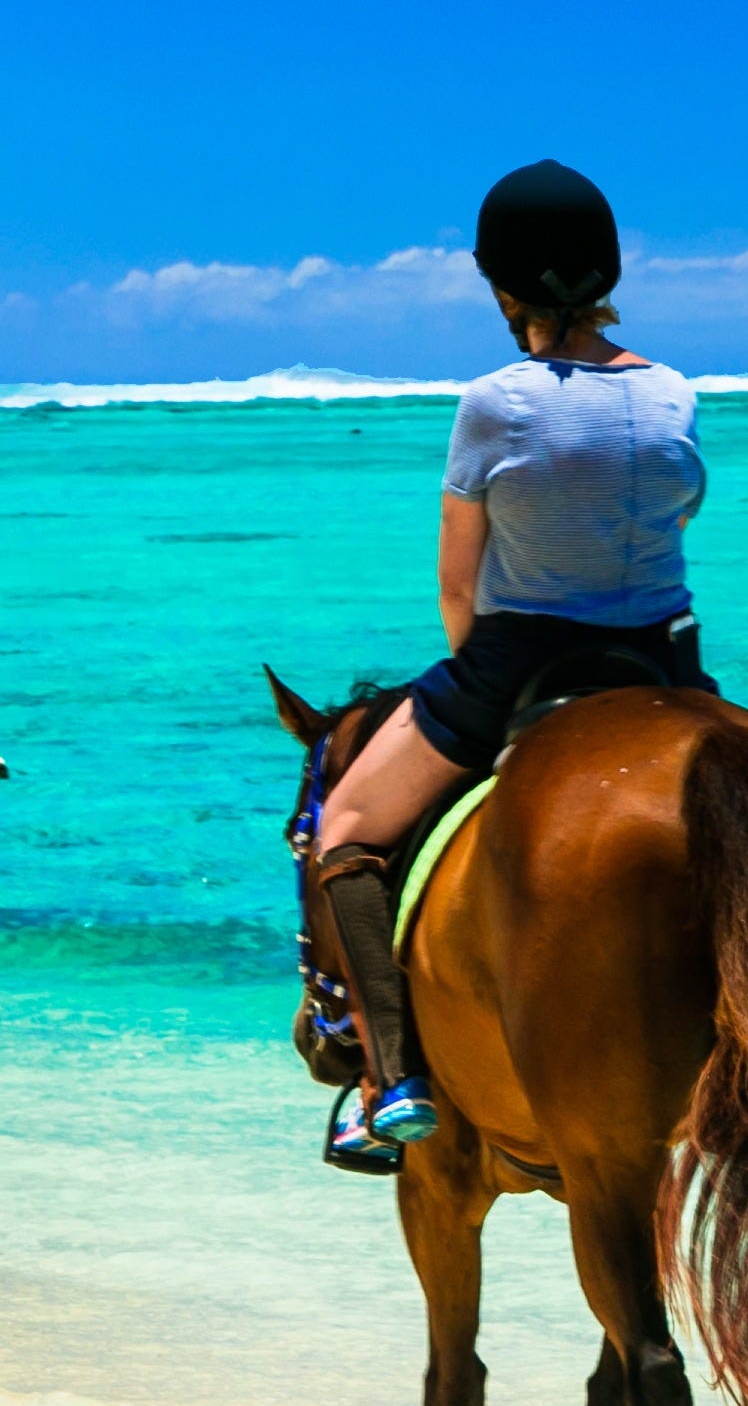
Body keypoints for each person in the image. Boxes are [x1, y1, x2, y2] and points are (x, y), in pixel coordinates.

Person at [295, 159, 714, 1171]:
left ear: (502, 289)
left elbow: (457, 585)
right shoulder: (674, 392)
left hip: (521, 656)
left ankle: (387, 1078)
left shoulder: (494, 401)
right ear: (609, 272)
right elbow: (679, 513)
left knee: (343, 828)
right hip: (666, 662)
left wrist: (479, 682)